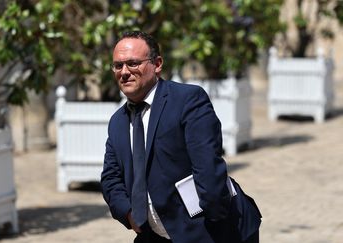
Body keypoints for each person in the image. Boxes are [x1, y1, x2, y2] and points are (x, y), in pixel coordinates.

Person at [100, 31, 261, 243]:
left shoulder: (187, 100)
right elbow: (111, 178)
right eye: (118, 65)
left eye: (133, 63)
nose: (124, 72)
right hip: (155, 235)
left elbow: (208, 168)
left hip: (212, 232)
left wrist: (212, 222)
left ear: (157, 64)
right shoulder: (118, 122)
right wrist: (130, 215)